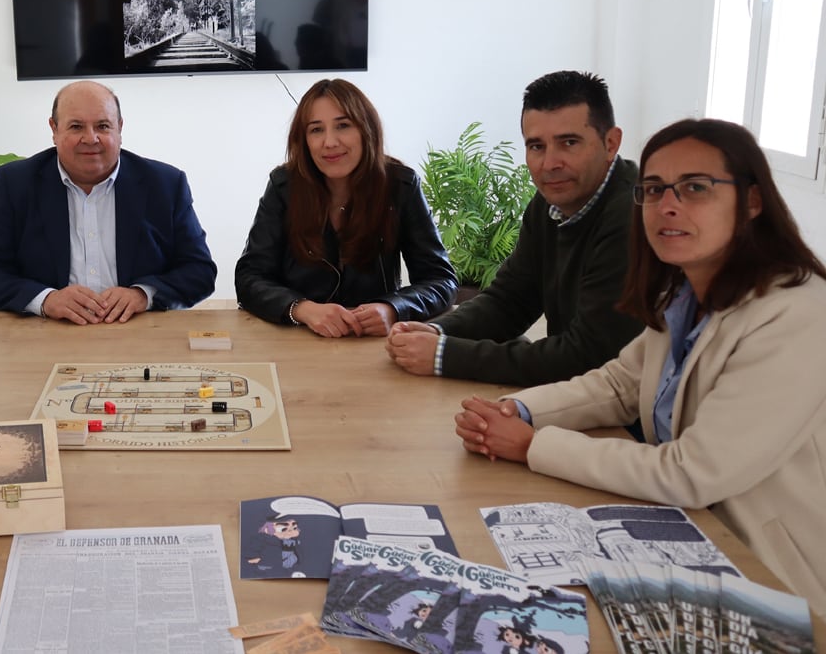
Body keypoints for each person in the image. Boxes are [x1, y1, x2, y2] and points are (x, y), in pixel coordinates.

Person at [454, 119, 826, 614]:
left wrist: (533, 444)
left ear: (752, 202)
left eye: (695, 187)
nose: (668, 205)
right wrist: (516, 410)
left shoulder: (797, 314)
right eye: (653, 190)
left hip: (768, 578)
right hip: (680, 539)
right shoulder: (683, 291)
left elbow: (693, 472)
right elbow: (617, 384)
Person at [387, 70, 643, 385]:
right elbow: (511, 300)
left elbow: (588, 357)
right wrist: (437, 331)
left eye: (569, 143)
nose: (550, 163)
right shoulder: (548, 204)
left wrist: (443, 355)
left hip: (634, 420)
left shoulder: (635, 215)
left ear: (611, 143)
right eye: (536, 146)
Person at [0, 81, 216, 322]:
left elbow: (200, 272)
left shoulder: (165, 184)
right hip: (49, 331)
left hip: (140, 329)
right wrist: (46, 300)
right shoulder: (17, 183)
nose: (90, 138)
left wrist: (143, 295)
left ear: (120, 128)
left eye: (103, 126)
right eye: (76, 126)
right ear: (54, 130)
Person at [235, 78, 455, 336]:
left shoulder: (401, 185)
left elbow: (441, 280)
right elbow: (250, 277)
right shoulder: (284, 186)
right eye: (316, 130)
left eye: (343, 125)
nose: (330, 142)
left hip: (373, 341)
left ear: (367, 130)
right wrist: (303, 309)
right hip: (299, 337)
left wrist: (392, 308)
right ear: (303, 140)